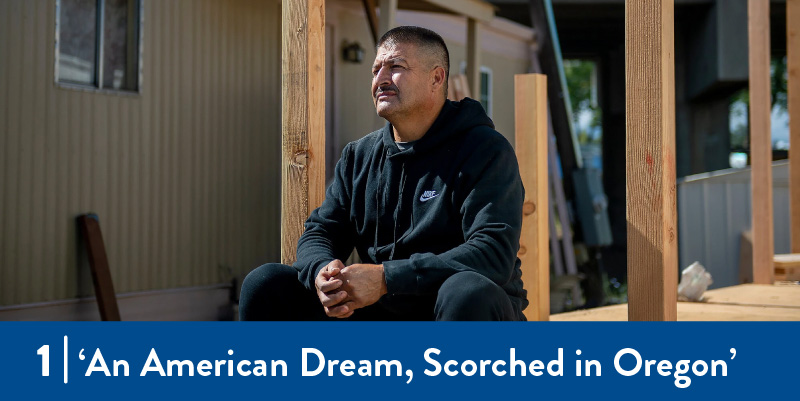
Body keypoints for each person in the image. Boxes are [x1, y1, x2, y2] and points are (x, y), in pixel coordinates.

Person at [240, 26, 527, 321]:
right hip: (381, 315)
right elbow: (321, 230)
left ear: (436, 78)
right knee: (266, 283)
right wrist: (322, 272)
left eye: (396, 67)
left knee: (467, 291)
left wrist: (386, 278)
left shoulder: (484, 150)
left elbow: (493, 253)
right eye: (376, 69)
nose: (381, 79)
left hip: (458, 312)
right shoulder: (359, 156)